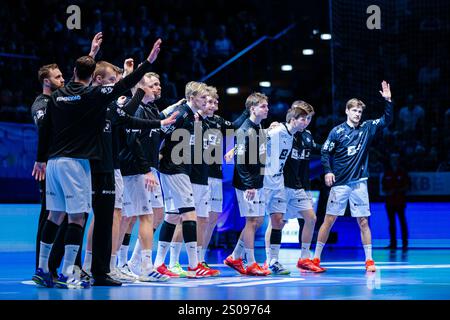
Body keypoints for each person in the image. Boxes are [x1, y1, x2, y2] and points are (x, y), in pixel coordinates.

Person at [31, 37, 163, 289]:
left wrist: (40, 158)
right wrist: (147, 63)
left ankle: (43, 269)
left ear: (72, 72)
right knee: (77, 218)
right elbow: (124, 85)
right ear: (94, 77)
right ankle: (71, 272)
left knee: (54, 215)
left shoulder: (59, 96)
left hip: (54, 163)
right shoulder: (91, 95)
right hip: (77, 163)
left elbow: (46, 128)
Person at [31, 33, 103, 280]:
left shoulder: (64, 100)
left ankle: (55, 269)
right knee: (58, 217)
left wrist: (91, 55)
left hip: (56, 162)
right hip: (55, 164)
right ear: (46, 81)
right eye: (57, 77)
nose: (62, 80)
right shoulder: (43, 103)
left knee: (64, 216)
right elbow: (44, 130)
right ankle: (53, 270)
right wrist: (41, 158)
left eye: (64, 75)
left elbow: (79, 80)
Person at [312, 81, 393, 273]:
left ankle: (369, 260)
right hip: (339, 184)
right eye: (354, 111)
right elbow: (324, 152)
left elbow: (386, 120)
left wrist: (388, 100)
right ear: (347, 111)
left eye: (360, 111)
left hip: (359, 183)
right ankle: (315, 258)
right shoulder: (337, 131)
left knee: (363, 221)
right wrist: (328, 171)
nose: (358, 114)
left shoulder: (366, 128)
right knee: (329, 219)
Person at [153, 81, 217, 278]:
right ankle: (193, 265)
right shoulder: (181, 113)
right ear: (191, 97)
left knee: (172, 215)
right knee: (189, 215)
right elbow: (157, 132)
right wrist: (157, 157)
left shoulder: (192, 115)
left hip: (180, 169)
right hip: (174, 169)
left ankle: (158, 263)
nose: (206, 101)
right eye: (203, 98)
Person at [265, 101, 325, 273]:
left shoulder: (306, 136)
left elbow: (318, 149)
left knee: (310, 218)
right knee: (277, 222)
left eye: (309, 118)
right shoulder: (282, 131)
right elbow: (262, 142)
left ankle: (304, 258)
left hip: (300, 185)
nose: (306, 121)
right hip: (280, 184)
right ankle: (269, 259)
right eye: (304, 118)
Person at [224, 92, 270, 276]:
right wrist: (249, 185)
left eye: (267, 106)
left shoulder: (259, 128)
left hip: (257, 182)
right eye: (263, 106)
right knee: (251, 221)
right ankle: (251, 263)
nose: (267, 109)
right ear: (253, 109)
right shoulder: (245, 129)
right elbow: (241, 162)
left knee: (257, 221)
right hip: (247, 184)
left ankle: (235, 256)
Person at [382, 153, 410, 250]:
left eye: (396, 159)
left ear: (398, 160)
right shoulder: (387, 172)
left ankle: (404, 243)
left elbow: (407, 186)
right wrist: (388, 192)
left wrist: (397, 190)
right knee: (391, 223)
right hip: (390, 202)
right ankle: (393, 243)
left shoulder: (402, 172)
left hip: (400, 201)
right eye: (392, 159)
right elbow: (383, 187)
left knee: (402, 222)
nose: (394, 161)